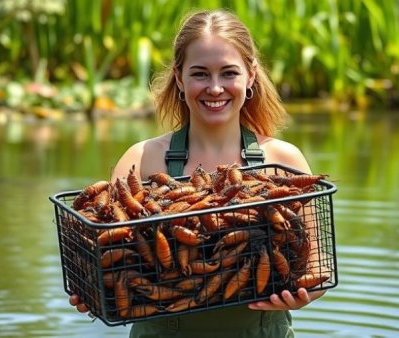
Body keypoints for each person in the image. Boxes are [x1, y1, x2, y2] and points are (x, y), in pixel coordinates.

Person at [69, 8, 326, 337]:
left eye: (228, 73)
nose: (215, 88)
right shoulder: (143, 158)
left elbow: (317, 268)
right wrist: (90, 286)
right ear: (179, 77)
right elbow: (103, 252)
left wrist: (303, 295)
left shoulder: (282, 158)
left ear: (251, 75)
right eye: (200, 73)